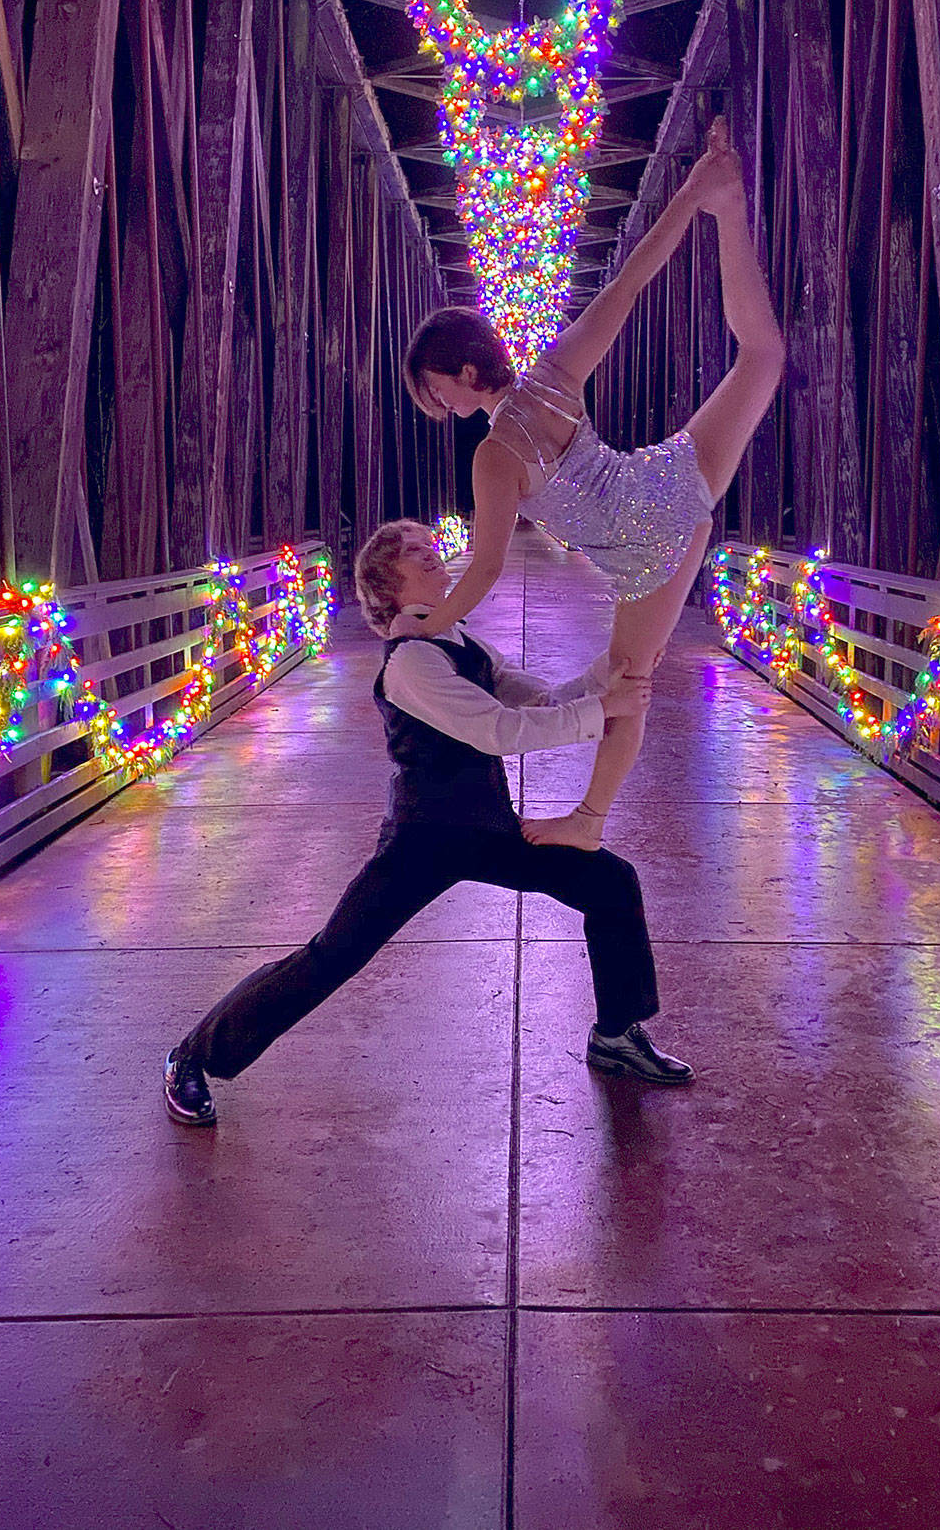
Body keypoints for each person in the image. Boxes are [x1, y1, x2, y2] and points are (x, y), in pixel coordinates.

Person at [163, 518, 693, 1126]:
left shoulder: (461, 644)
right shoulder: (411, 662)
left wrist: (609, 672)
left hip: (488, 831)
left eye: (430, 547)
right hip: (423, 842)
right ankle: (192, 1056)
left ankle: (617, 1035)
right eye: (417, 554)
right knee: (333, 956)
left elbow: (538, 702)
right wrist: (603, 711)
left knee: (610, 883)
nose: (435, 555)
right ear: (389, 586)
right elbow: (498, 731)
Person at [398, 117, 786, 852]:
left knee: (625, 688)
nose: (440, 404)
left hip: (647, 551)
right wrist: (691, 195)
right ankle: (725, 204)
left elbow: (484, 566)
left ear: (467, 371)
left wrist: (433, 619)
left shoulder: (493, 455)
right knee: (761, 357)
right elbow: (632, 279)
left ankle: (588, 821)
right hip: (669, 480)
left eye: (437, 389)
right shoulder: (553, 373)